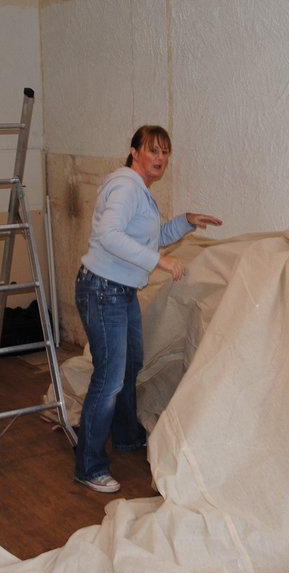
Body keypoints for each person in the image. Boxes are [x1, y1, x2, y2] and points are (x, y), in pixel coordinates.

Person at [73, 125, 222, 493]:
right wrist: (160, 261)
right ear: (134, 151)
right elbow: (110, 236)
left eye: (165, 153)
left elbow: (145, 238)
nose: (160, 159)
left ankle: (125, 436)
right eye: (153, 150)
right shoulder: (126, 186)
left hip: (118, 292)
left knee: (131, 365)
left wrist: (185, 222)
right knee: (108, 379)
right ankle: (89, 466)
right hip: (102, 290)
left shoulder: (139, 190)